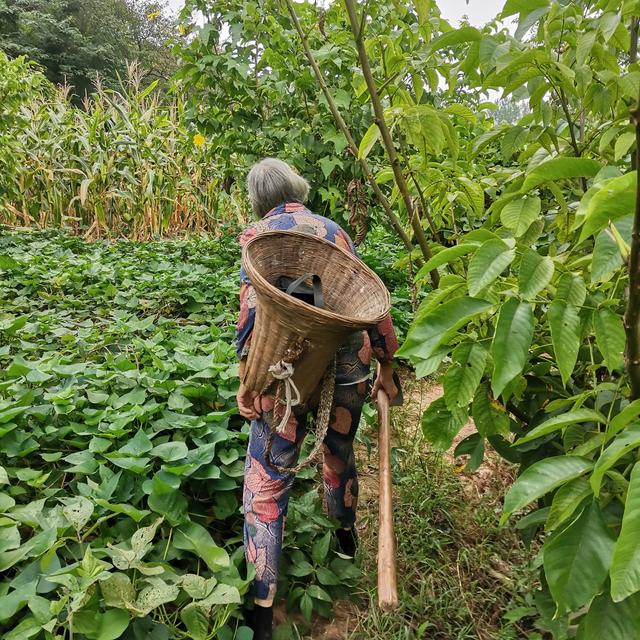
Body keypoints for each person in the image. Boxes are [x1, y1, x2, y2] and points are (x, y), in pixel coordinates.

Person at [236, 158, 399, 640]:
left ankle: (262, 608)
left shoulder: (257, 238)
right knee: (337, 453)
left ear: (258, 201)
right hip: (348, 364)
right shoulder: (333, 230)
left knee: (266, 479)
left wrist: (249, 383)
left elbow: (251, 316)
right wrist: (387, 364)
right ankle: (345, 540)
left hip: (285, 371)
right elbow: (373, 302)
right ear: (298, 190)